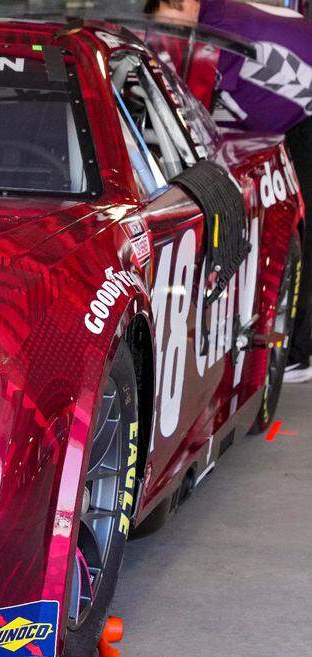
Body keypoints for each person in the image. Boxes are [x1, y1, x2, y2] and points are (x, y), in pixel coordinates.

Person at [146, 0, 312, 383]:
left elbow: (191, 118)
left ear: (185, 3)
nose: (167, 39)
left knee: (302, 223)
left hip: (304, 117)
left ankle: (299, 353)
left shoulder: (214, 32)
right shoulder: (218, 13)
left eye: (168, 25)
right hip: (293, 113)